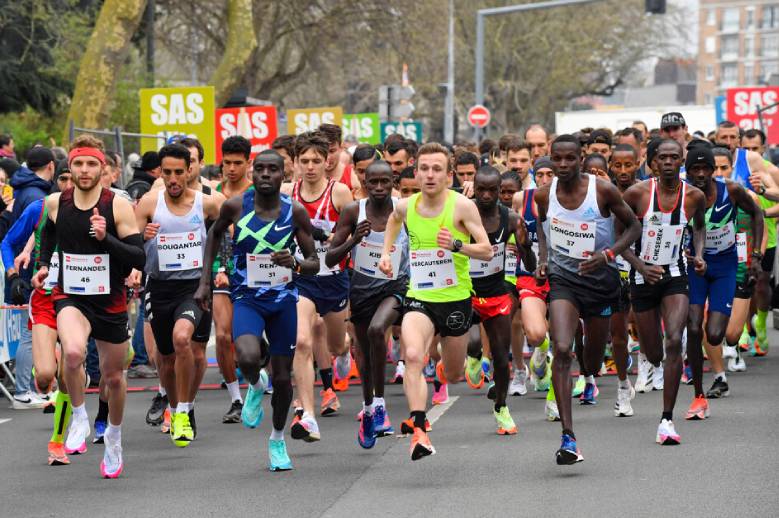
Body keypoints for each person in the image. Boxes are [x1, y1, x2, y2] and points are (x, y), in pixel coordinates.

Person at [195, 149, 320, 471]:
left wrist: (295, 262)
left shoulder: (294, 212)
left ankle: (277, 439)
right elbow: (214, 235)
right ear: (253, 172)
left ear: (283, 174)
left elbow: (314, 263)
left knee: (283, 378)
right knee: (248, 357)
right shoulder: (236, 206)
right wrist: (205, 281)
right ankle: (254, 384)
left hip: (282, 301)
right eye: (260, 169)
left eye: (272, 169)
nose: (265, 174)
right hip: (247, 297)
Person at [32, 134, 145, 478]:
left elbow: (138, 257)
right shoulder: (56, 202)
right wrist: (43, 265)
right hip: (72, 295)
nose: (84, 170)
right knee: (72, 353)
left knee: (114, 377)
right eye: (78, 163)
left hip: (109, 299)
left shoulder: (117, 206)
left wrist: (105, 237)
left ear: (102, 168)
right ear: (69, 166)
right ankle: (79, 415)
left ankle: (114, 438)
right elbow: (49, 234)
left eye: (91, 164)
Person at [379, 142, 493, 461]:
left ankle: (444, 366)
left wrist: (456, 245)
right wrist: (386, 254)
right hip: (420, 296)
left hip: (455, 300)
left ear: (448, 175)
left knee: (454, 374)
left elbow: (486, 250)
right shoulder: (406, 206)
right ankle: (419, 430)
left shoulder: (461, 207)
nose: (430, 175)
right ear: (416, 173)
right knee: (413, 355)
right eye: (424, 169)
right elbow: (393, 220)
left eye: (437, 169)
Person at [534, 135, 641, 464]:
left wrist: (607, 255)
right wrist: (543, 258)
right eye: (557, 159)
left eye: (570, 158)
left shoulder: (602, 191)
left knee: (591, 362)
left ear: (581, 159)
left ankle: (589, 368)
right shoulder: (543, 194)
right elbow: (541, 225)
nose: (563, 164)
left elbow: (633, 228)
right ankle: (568, 437)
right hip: (563, 280)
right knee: (561, 348)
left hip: (601, 283)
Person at [620, 139, 706, 447]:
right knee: (655, 353)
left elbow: (699, 227)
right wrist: (641, 267)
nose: (668, 162)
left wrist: (699, 254)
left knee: (674, 341)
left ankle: (666, 419)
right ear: (652, 162)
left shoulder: (694, 196)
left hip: (675, 276)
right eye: (662, 158)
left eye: (674, 157)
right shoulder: (637, 194)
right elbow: (619, 238)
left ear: (682, 161)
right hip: (642, 277)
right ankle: (650, 359)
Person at [135, 143, 221, 447]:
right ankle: (177, 408)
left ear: (189, 171)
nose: (173, 179)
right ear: (160, 172)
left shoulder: (207, 203)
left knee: (183, 339)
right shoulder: (149, 203)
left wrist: (222, 266)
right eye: (167, 172)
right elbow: (129, 244)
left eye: (178, 172)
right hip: (159, 287)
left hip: (194, 287)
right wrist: (141, 239)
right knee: (165, 359)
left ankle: (184, 409)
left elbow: (234, 226)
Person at [326, 160, 408, 448]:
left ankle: (381, 405)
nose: (379, 187)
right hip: (361, 290)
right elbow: (330, 258)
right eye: (373, 182)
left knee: (376, 331)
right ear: (364, 183)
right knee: (363, 351)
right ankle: (369, 407)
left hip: (395, 287)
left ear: (393, 181)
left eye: (385, 181)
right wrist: (353, 240)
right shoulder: (353, 211)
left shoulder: (403, 210)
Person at [280, 131, 353, 441]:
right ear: (295, 162)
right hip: (302, 279)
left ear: (327, 162)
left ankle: (345, 351)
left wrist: (335, 239)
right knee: (302, 341)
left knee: (335, 345)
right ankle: (307, 414)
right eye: (304, 161)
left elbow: (353, 236)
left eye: (316, 161)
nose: (310, 167)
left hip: (334, 279)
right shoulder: (287, 193)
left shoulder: (340, 193)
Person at [684, 141, 763, 421]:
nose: (701, 174)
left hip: (725, 265)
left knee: (716, 333)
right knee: (694, 326)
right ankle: (698, 394)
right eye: (695, 169)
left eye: (706, 168)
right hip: (694, 267)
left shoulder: (731, 190)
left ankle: (720, 359)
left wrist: (755, 256)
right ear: (688, 171)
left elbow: (757, 213)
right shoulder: (683, 194)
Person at [464, 165, 528, 435]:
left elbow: (529, 261)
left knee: (502, 357)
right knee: (474, 341)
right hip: (465, 292)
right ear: (474, 188)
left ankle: (501, 407)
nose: (487, 195)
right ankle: (473, 355)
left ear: (501, 190)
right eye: (481, 189)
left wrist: (525, 244)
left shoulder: (510, 218)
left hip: (496, 292)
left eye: (493, 190)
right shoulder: (462, 213)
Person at [709, 146, 766, 392]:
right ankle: (719, 375)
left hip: (742, 266)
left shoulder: (744, 195)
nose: (719, 172)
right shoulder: (699, 196)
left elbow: (760, 223)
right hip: (712, 266)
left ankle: (734, 344)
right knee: (711, 327)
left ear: (732, 168)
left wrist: (757, 257)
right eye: (714, 168)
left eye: (724, 167)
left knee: (732, 334)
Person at [214, 136, 254, 423]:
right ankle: (235, 399)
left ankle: (257, 380)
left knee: (246, 339)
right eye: (227, 162)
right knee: (222, 335)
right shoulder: (212, 194)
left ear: (248, 163)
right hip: (220, 271)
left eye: (237, 163)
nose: (231, 168)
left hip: (253, 271)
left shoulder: (258, 192)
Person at [511, 157, 554, 415]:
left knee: (564, 339)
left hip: (561, 275)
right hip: (530, 273)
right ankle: (541, 348)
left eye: (550, 174)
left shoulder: (569, 200)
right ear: (534, 176)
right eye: (540, 175)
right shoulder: (521, 199)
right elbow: (512, 229)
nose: (545, 179)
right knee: (536, 335)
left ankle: (556, 396)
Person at [319, 124, 360, 191]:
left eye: (332, 151)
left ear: (341, 147)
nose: (328, 157)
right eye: (323, 151)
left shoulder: (353, 179)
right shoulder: (310, 175)